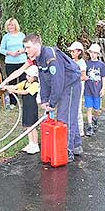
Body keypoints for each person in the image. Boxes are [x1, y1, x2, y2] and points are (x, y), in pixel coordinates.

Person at [23, 34, 82, 162]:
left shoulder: (51, 57)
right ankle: (76, 145)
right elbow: (43, 79)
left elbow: (57, 81)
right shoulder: (39, 58)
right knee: (66, 116)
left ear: (37, 45)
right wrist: (44, 99)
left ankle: (67, 151)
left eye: (28, 47)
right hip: (62, 84)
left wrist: (52, 102)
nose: (26, 50)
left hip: (71, 83)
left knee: (64, 117)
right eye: (25, 47)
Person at [4, 65, 40, 154]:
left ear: (35, 77)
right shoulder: (25, 83)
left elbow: (25, 92)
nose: (27, 77)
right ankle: (30, 143)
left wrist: (14, 91)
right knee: (27, 125)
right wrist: (7, 87)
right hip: (26, 106)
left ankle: (35, 145)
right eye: (27, 75)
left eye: (29, 76)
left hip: (32, 107)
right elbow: (16, 86)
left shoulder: (35, 85)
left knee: (32, 126)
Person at [0, 18, 27, 109]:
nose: (10, 26)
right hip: (10, 62)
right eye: (8, 25)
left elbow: (27, 47)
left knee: (24, 81)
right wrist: (10, 52)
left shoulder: (22, 35)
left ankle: (25, 100)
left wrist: (21, 51)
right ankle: (13, 102)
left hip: (22, 61)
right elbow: (1, 50)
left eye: (12, 25)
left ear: (16, 26)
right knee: (12, 81)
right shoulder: (6, 37)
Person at [84, 43, 105, 137]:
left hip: (97, 90)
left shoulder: (101, 65)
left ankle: (95, 119)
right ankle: (89, 126)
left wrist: (103, 88)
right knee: (89, 108)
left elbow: (103, 77)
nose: (93, 54)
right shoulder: (87, 64)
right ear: (89, 53)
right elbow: (84, 75)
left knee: (97, 109)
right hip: (88, 90)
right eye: (91, 52)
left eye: (95, 53)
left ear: (98, 54)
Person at [68, 41, 88, 137]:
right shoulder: (71, 61)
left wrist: (74, 78)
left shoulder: (81, 63)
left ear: (79, 52)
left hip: (79, 87)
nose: (71, 53)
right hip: (71, 87)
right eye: (71, 51)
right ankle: (71, 128)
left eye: (73, 51)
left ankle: (80, 130)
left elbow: (84, 77)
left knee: (77, 107)